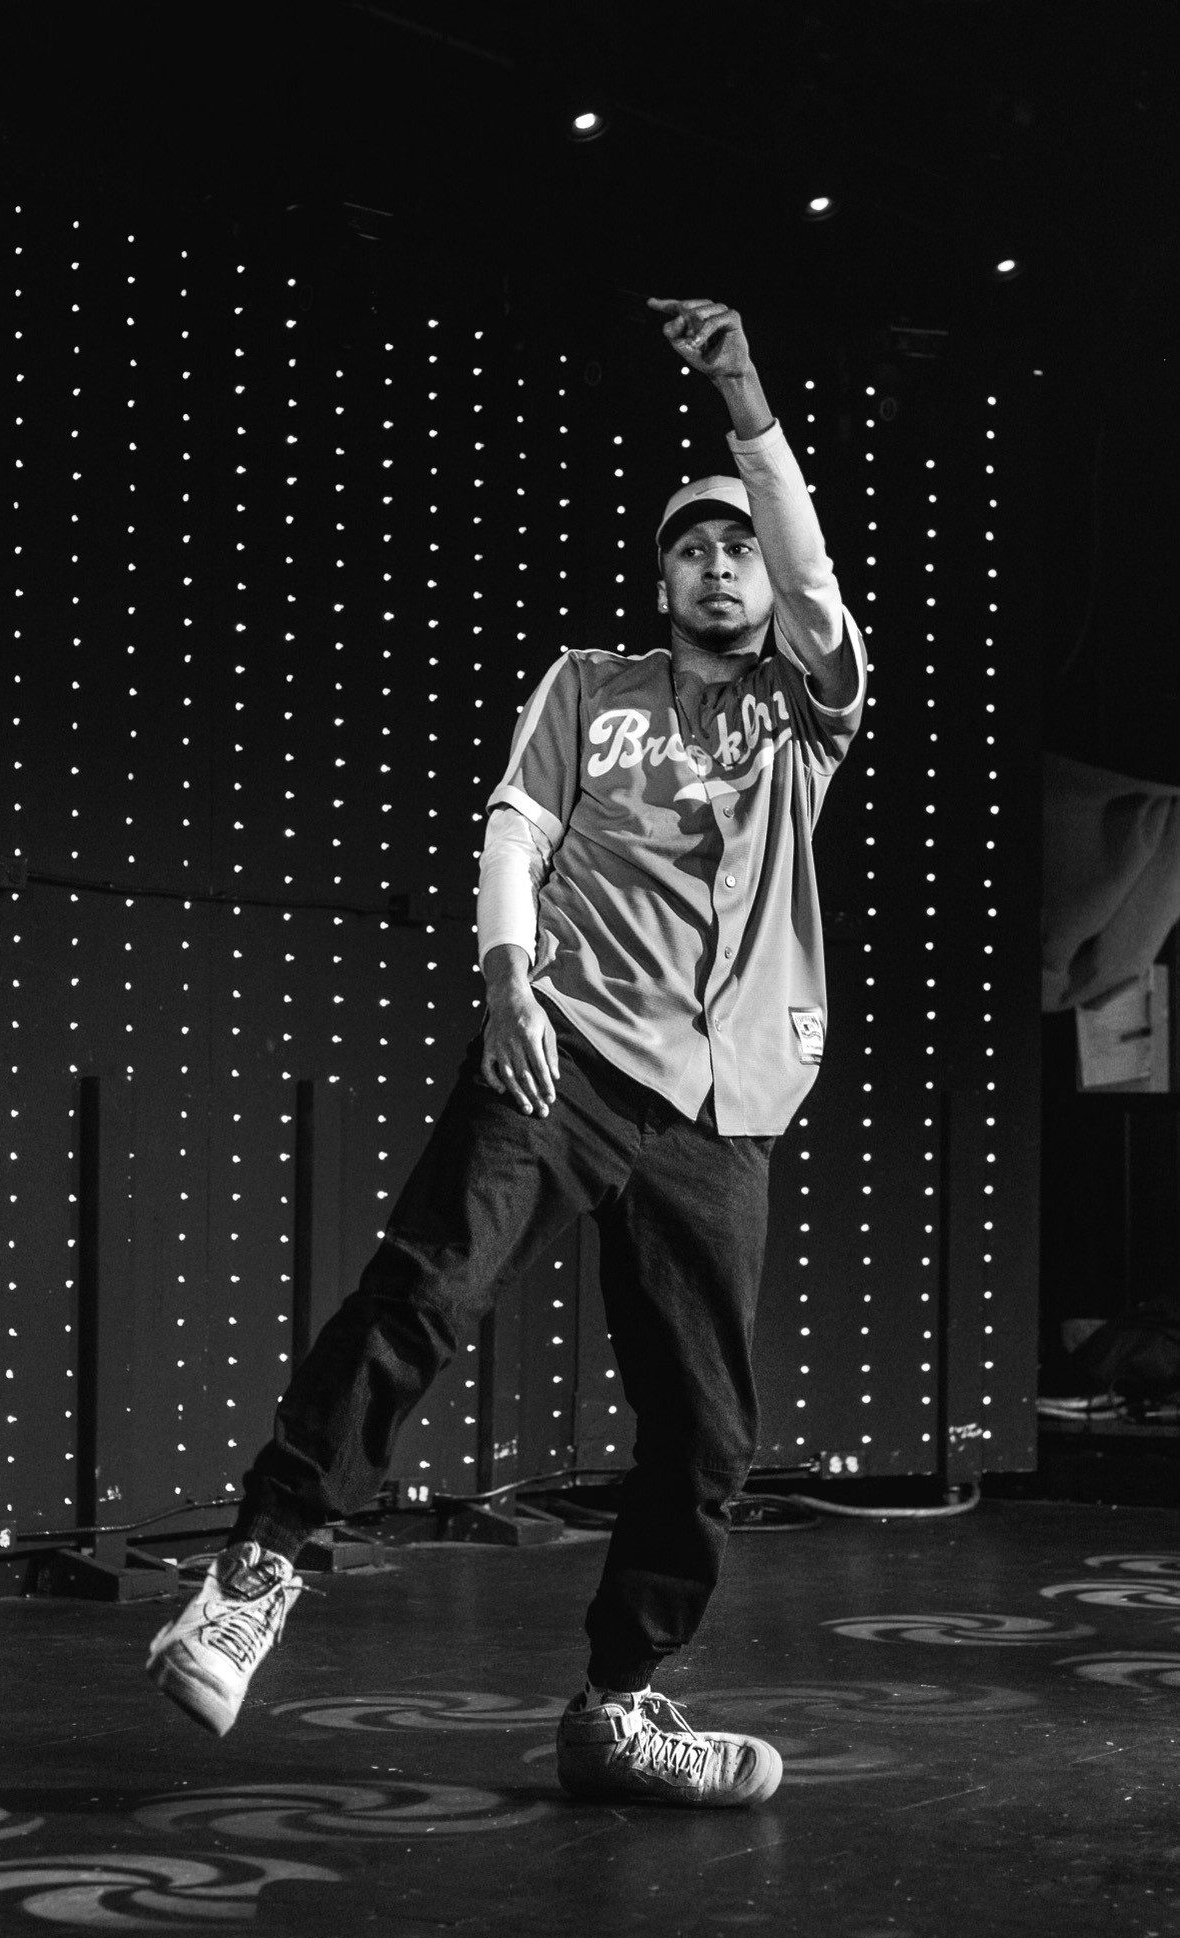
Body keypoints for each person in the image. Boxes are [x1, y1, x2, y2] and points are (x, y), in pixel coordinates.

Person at [146, 296, 866, 1808]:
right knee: (424, 1293)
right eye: (691, 547)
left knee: (707, 1434)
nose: (719, 564)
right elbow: (515, 828)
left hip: (722, 1101)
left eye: (735, 545)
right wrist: (507, 983)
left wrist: (742, 397)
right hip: (567, 1051)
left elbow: (807, 564)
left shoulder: (804, 716)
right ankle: (256, 1571)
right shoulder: (587, 688)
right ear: (661, 575)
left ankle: (617, 1706)